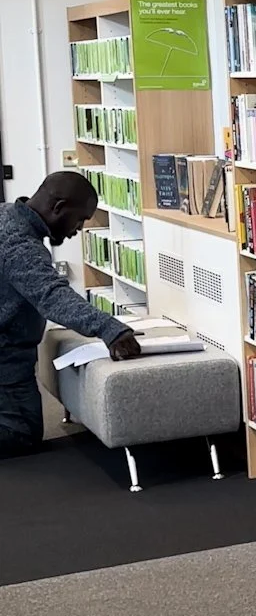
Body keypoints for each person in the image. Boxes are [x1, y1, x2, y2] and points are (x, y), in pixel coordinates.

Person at [0, 172, 141, 457]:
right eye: (80, 219)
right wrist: (111, 329)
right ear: (58, 207)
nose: (79, 229)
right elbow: (52, 295)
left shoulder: (8, 215)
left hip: (13, 360)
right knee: (22, 436)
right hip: (6, 363)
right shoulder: (19, 243)